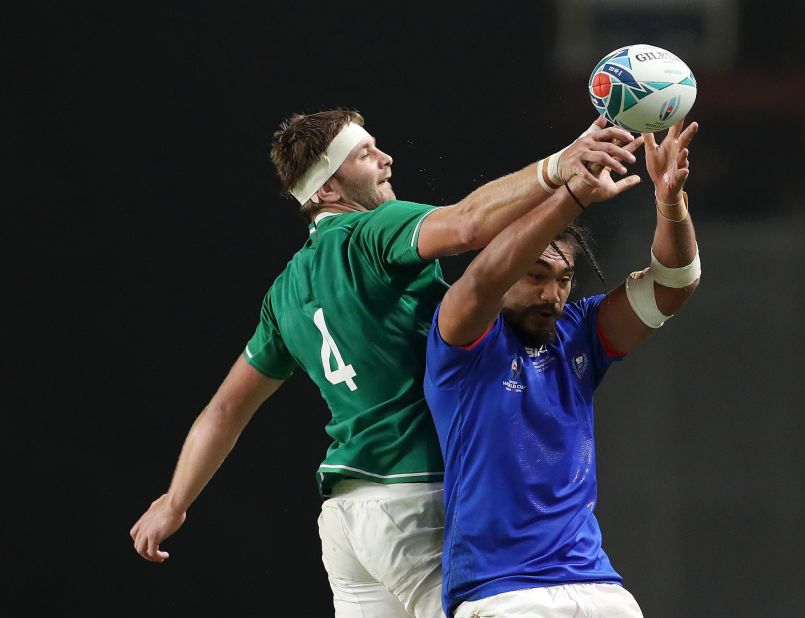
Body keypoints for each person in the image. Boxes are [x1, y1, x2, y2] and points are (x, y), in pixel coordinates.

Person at [129, 107, 643, 618]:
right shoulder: (371, 233)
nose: (386, 158)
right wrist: (558, 168)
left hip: (347, 517)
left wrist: (175, 501)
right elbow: (466, 225)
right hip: (417, 499)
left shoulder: (284, 294)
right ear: (328, 190)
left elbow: (223, 411)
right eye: (365, 154)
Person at [424, 120, 701, 617]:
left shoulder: (581, 332)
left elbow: (675, 283)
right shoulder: (462, 339)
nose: (552, 295)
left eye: (564, 279)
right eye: (535, 276)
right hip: (504, 594)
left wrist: (668, 200)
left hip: (598, 589)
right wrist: (572, 192)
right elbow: (484, 275)